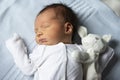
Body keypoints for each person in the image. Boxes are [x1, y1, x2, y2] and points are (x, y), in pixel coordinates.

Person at [5, 3, 87, 80]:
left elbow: (94, 58)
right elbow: (27, 67)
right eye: (36, 31)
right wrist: (16, 46)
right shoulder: (42, 50)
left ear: (67, 28)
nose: (39, 33)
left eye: (45, 26)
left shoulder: (80, 49)